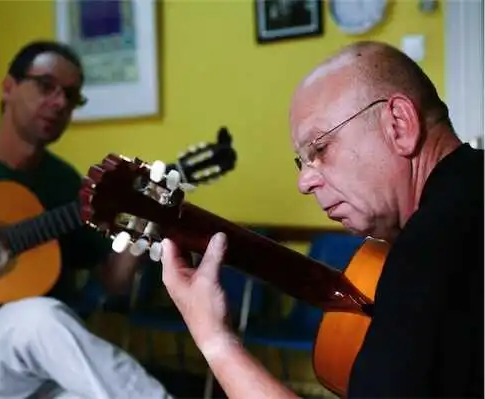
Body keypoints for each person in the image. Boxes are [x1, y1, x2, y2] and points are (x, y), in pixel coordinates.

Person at [160, 40, 484, 398]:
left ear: (399, 124)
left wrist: (215, 340)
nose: (304, 182)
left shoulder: (429, 250)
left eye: (320, 148)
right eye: (302, 161)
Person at [0, 40, 172, 399]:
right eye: (46, 86)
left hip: (30, 372)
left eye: (71, 95)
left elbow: (114, 283)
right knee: (42, 318)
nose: (59, 102)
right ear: (8, 87)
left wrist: (146, 225)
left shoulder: (66, 185)